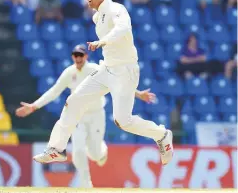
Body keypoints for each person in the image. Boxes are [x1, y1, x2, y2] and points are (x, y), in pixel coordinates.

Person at [33, 0, 174, 166]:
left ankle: (162, 135)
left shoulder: (117, 9)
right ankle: (56, 149)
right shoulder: (97, 16)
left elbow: (123, 28)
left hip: (125, 70)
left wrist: (103, 41)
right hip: (106, 68)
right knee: (73, 101)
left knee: (123, 121)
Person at [16, 44, 156, 188]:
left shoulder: (95, 69)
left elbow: (117, 83)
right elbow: (54, 91)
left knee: (95, 154)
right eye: (75, 55)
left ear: (86, 56)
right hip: (79, 116)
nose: (78, 58)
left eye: (81, 55)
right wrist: (34, 106)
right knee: (78, 151)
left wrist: (138, 94)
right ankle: (86, 185)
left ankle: (101, 151)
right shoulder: (69, 73)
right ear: (72, 57)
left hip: (96, 115)